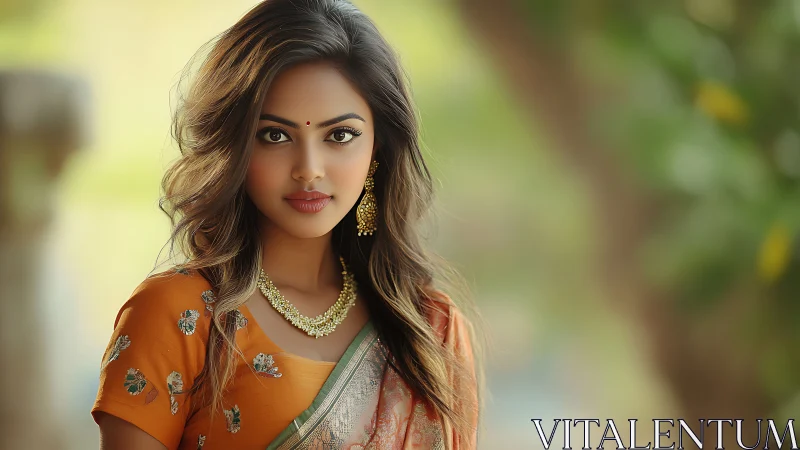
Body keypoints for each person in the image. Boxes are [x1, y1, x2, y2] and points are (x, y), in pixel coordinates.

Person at [91, 0, 482, 448]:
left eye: (340, 135)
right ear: (235, 146)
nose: (308, 168)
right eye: (275, 135)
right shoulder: (181, 315)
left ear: (378, 147)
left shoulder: (428, 328)